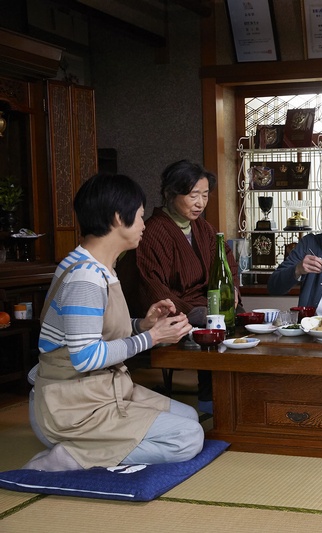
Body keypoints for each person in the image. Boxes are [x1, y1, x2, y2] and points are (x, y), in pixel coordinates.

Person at [24, 173, 203, 472]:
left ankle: (88, 449)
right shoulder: (86, 277)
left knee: (189, 417)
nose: (144, 225)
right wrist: (152, 338)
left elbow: (94, 330)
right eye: (141, 216)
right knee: (188, 438)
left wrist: (142, 325)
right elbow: (86, 357)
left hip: (102, 391)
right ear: (120, 218)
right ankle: (72, 457)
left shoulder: (97, 266)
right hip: (72, 407)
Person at [117, 160, 239, 415]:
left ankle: (233, 394)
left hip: (206, 303)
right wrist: (192, 311)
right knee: (212, 323)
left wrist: (233, 290)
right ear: (171, 193)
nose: (200, 203)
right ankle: (209, 399)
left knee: (237, 318)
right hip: (176, 309)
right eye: (193, 195)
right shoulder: (153, 232)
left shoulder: (203, 228)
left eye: (205, 195)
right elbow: (151, 285)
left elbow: (226, 262)